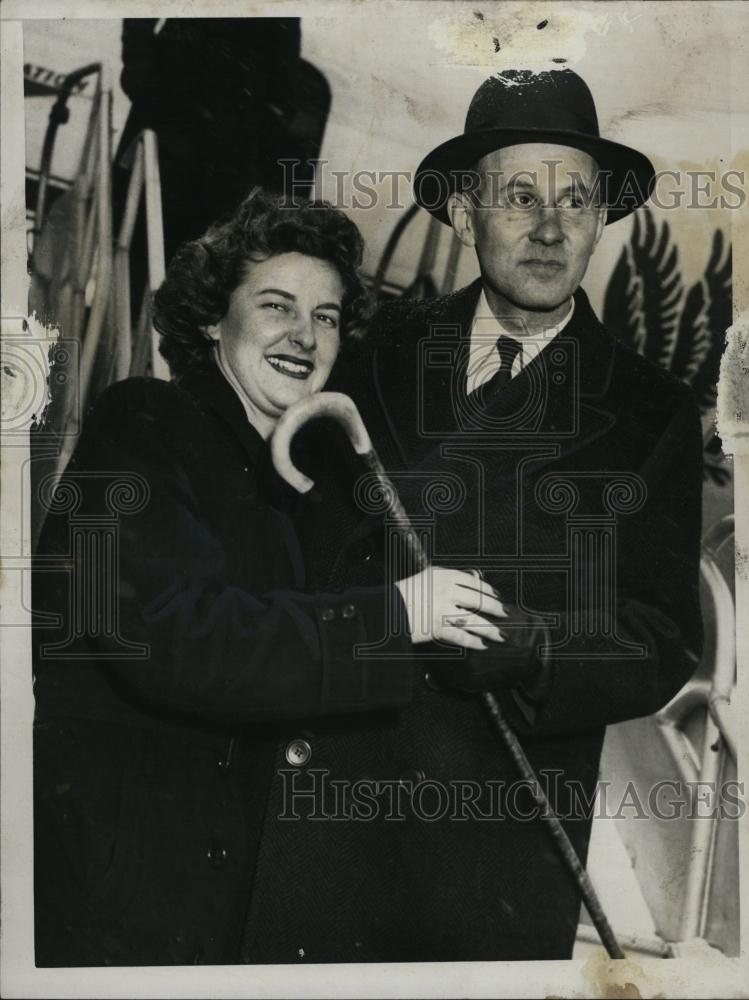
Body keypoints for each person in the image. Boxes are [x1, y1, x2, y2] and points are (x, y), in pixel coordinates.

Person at [31, 189, 503, 966]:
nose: (304, 335)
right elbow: (182, 642)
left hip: (230, 905)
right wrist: (395, 615)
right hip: (117, 900)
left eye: (325, 316)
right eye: (277, 305)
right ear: (213, 317)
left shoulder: (296, 480)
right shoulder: (142, 424)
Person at [298, 68, 703, 961]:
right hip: (332, 812)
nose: (550, 229)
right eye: (519, 196)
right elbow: (299, 561)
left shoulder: (652, 414)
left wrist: (545, 649)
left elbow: (665, 634)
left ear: (602, 218)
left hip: (500, 846)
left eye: (576, 202)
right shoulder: (371, 363)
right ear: (464, 212)